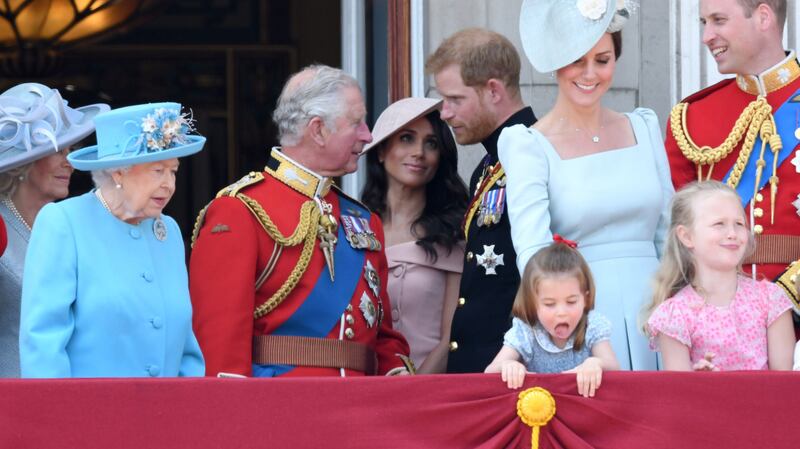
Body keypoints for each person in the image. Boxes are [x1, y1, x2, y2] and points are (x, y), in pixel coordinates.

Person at [190, 65, 412, 377]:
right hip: (282, 410)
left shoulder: (363, 220)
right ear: (318, 129)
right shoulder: (240, 210)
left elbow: (382, 335)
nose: (368, 134)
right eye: (357, 122)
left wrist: (396, 373)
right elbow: (220, 345)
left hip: (361, 409)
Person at [497, 0, 671, 370]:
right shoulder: (527, 144)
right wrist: (560, 326)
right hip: (579, 322)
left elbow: (668, 234)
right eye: (577, 59)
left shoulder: (645, 126)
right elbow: (533, 253)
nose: (590, 73)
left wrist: (683, 313)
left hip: (660, 314)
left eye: (602, 60)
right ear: (556, 62)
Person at [19, 102, 206, 378]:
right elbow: (43, 346)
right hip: (90, 416)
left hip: (166, 415)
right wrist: (57, 419)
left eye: (173, 171)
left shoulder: (169, 231)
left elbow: (185, 348)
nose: (169, 184)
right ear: (119, 171)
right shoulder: (63, 223)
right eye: (158, 171)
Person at [664, 0, 800, 314]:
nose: (706, 36)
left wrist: (784, 299)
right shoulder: (691, 118)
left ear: (763, 17)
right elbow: (678, 235)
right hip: (717, 321)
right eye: (703, 23)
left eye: (719, 20)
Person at [426, 27, 538, 373]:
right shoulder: (489, 164)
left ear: (493, 90)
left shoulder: (535, 153)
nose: (444, 113)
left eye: (455, 100)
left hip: (514, 368)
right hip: (484, 367)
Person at [0, 83, 108, 378]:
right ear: (23, 161)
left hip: (71, 395)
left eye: (70, 150)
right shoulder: (1, 227)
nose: (69, 162)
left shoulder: (76, 226)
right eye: (57, 151)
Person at [361, 97, 468, 373]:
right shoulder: (355, 228)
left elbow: (451, 337)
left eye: (431, 143)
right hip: (362, 391)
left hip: (431, 393)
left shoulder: (454, 233)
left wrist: (413, 391)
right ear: (382, 151)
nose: (419, 152)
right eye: (407, 138)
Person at [643, 181, 795, 371]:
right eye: (719, 224)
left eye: (739, 224)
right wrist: (700, 383)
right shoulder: (674, 315)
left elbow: (787, 383)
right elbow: (679, 393)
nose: (732, 233)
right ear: (686, 236)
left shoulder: (771, 300)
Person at [485, 238, 619, 397]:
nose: (561, 312)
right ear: (532, 304)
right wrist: (508, 366)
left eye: (571, 302)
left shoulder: (592, 325)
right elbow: (490, 372)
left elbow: (614, 368)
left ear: (586, 299)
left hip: (583, 413)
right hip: (536, 415)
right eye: (550, 304)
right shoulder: (527, 330)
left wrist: (596, 363)